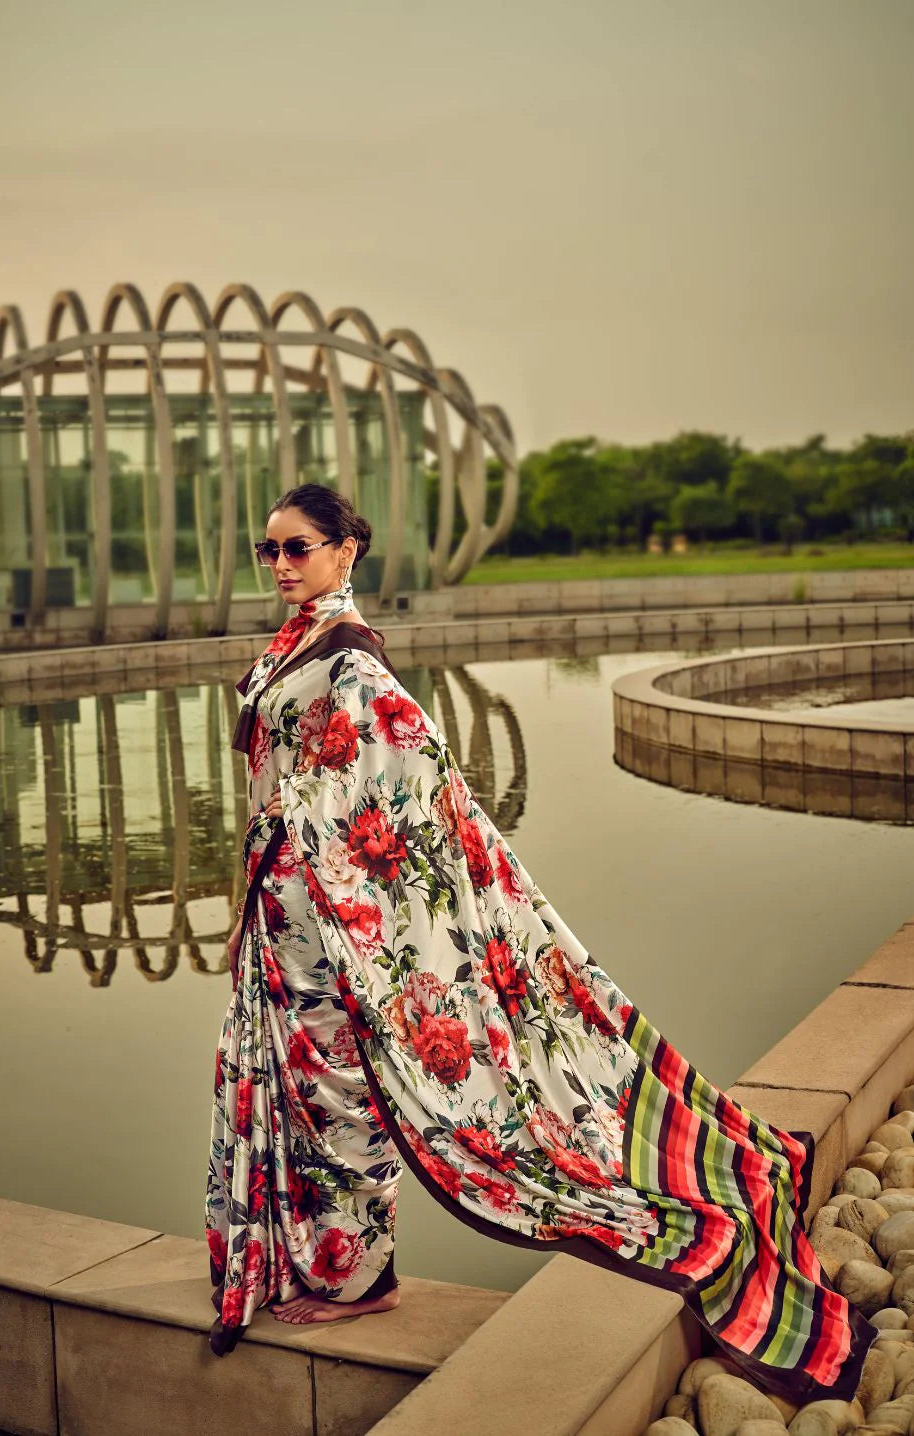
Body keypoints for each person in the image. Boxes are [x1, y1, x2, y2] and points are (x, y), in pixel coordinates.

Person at [204, 483, 874, 1402]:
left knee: (342, 1087)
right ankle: (321, 1265)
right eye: (268, 549)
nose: (279, 565)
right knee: (308, 1085)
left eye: (298, 548)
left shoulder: (353, 663)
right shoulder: (297, 647)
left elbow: (416, 788)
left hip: (330, 919)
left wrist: (334, 871)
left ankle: (354, 1277)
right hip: (283, 916)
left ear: (345, 552)